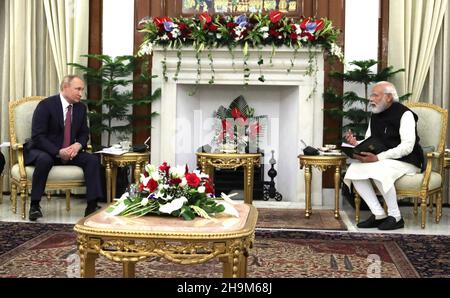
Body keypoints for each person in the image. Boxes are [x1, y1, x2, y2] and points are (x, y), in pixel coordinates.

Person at [344, 81, 424, 230]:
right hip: (384, 161)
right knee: (353, 170)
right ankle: (379, 213)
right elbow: (370, 141)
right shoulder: (375, 114)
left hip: (407, 161)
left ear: (388, 97)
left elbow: (407, 147)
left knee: (379, 169)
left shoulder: (405, 114)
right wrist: (357, 144)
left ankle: (396, 217)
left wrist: (379, 158)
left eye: (375, 95)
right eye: (371, 95)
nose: (370, 99)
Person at [24, 75, 103, 221]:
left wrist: (78, 145)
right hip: (45, 150)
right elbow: (38, 136)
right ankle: (35, 205)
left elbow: (84, 133)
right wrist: (58, 152)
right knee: (44, 160)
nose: (81, 93)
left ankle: (92, 205)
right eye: (77, 89)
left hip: (69, 151)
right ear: (65, 88)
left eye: (82, 90)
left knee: (92, 160)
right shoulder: (46, 105)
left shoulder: (80, 108)